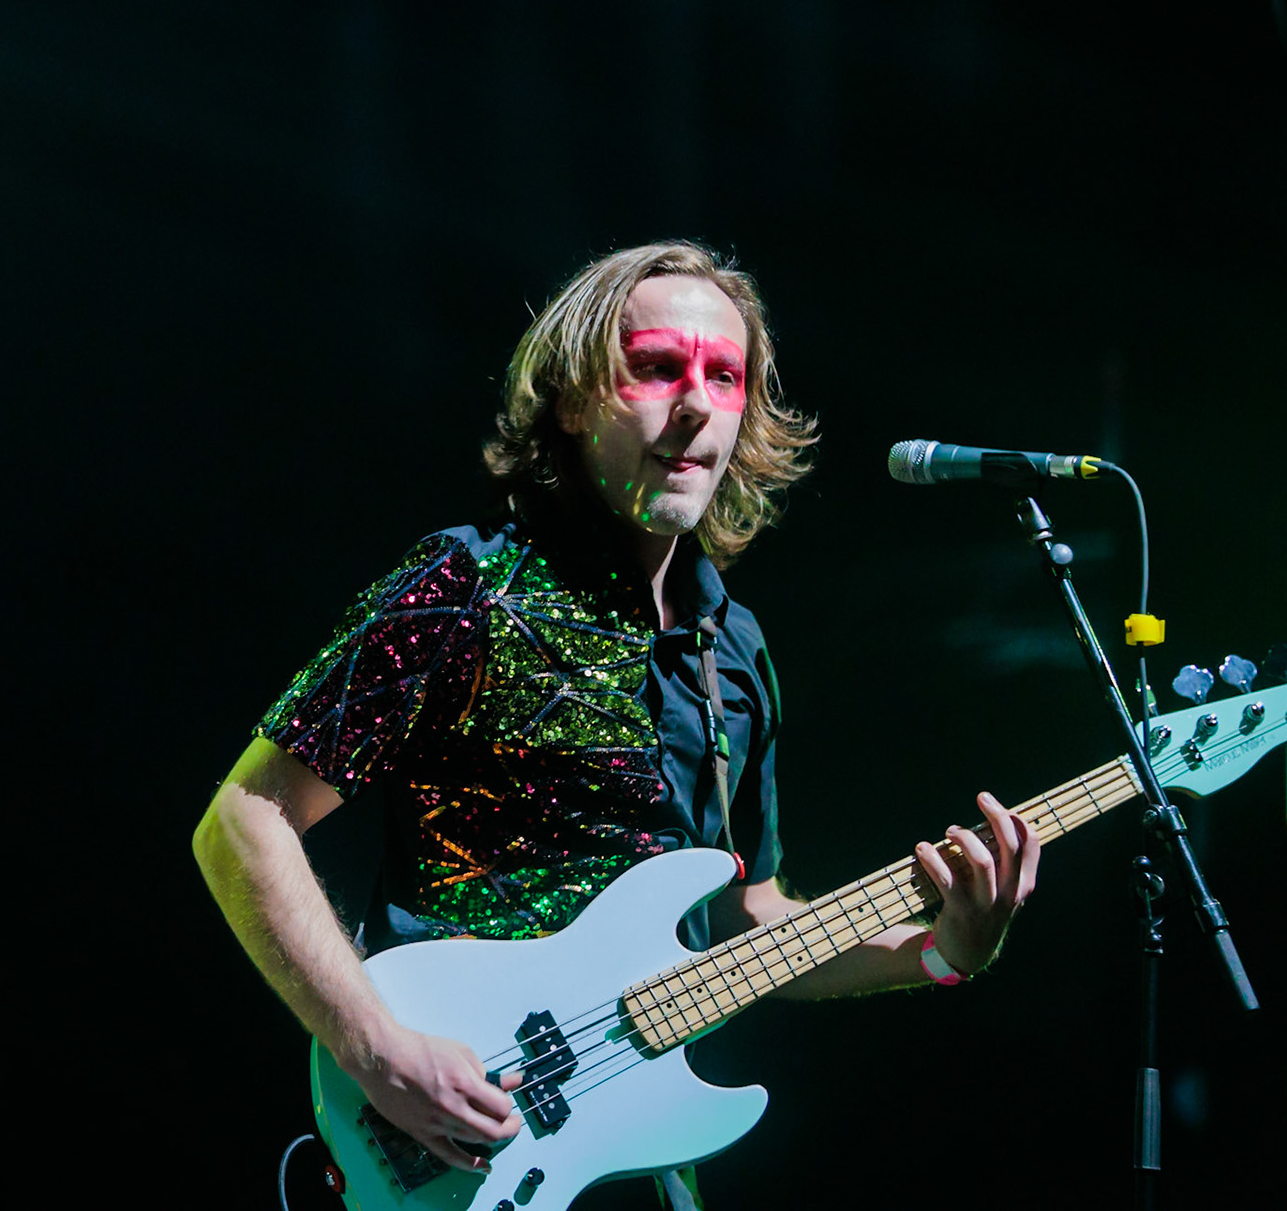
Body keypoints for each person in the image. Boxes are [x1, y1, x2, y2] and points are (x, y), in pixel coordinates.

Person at [192, 241, 1038, 1206]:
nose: (694, 403)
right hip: (447, 1133)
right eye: (656, 367)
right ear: (571, 398)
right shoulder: (471, 588)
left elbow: (744, 920)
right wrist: (376, 1047)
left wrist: (940, 952)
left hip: (623, 1166)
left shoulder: (734, 649)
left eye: (724, 377)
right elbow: (244, 818)